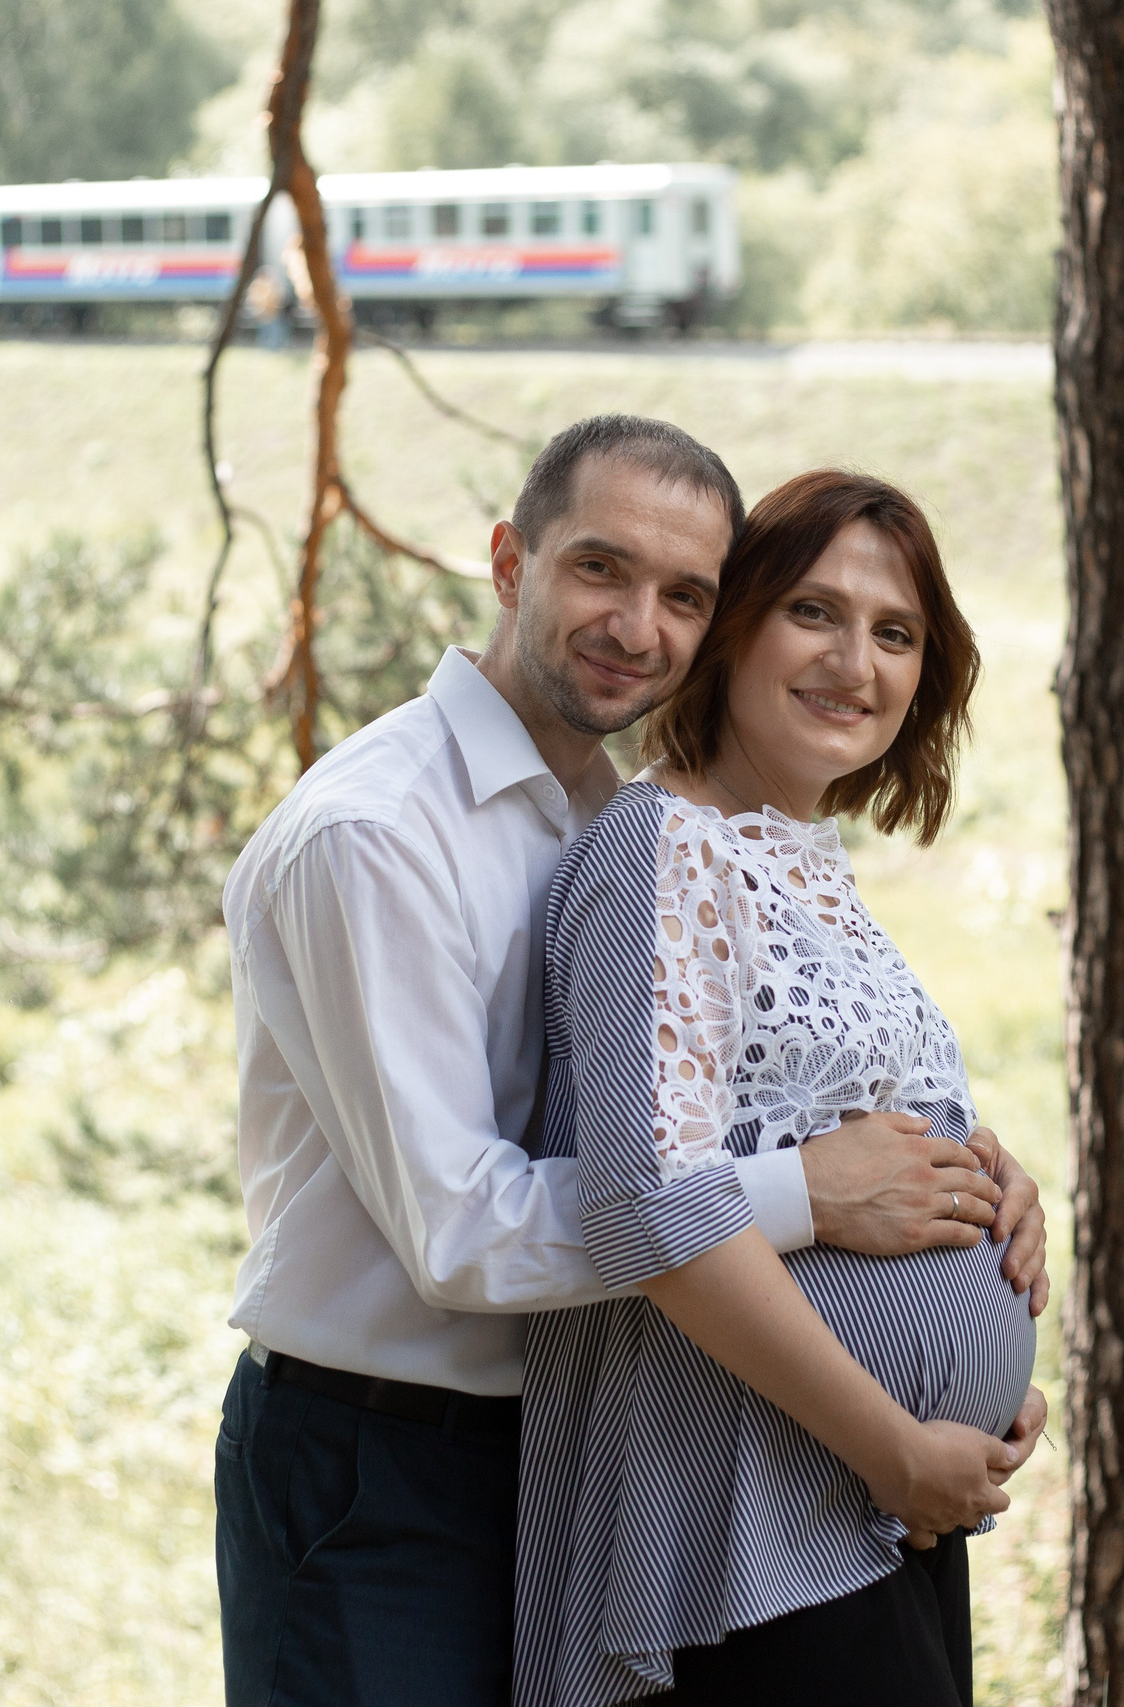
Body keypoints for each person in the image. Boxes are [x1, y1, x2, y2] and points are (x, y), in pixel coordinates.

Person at [214, 417, 1051, 1706]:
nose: (636, 625)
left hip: (585, 1440)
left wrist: (969, 1185)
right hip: (386, 1452)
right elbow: (462, 1235)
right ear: (510, 562)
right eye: (599, 571)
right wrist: (810, 1196)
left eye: (683, 595)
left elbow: (740, 1102)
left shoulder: (616, 809)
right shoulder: (375, 835)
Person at [517, 470, 1035, 1707]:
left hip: (864, 1511)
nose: (855, 661)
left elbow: (799, 1107)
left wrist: (983, 1176)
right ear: (732, 627)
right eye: (814, 612)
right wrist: (899, 1445)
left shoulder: (794, 852)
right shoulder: (661, 847)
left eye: (895, 633)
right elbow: (651, 1207)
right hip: (753, 1528)